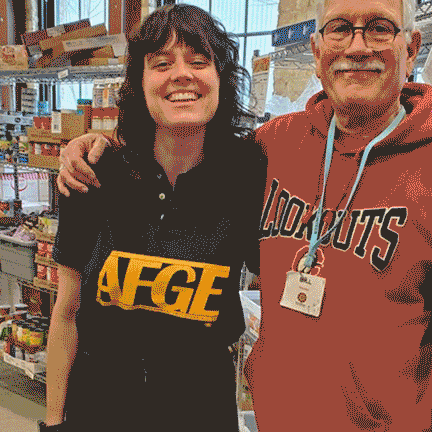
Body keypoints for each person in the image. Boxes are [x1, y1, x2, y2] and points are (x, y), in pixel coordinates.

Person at [57, 0, 432, 430]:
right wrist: (93, 142)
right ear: (316, 50)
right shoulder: (277, 144)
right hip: (276, 418)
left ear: (412, 48)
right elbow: (180, 130)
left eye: (380, 27)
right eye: (340, 28)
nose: (358, 46)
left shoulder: (423, 162)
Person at [43, 4, 266, 432]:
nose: (181, 75)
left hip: (201, 411)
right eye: (161, 64)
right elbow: (66, 315)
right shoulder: (93, 174)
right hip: (99, 410)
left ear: (221, 79)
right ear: (140, 83)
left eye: (199, 61)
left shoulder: (248, 176)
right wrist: (54, 422)